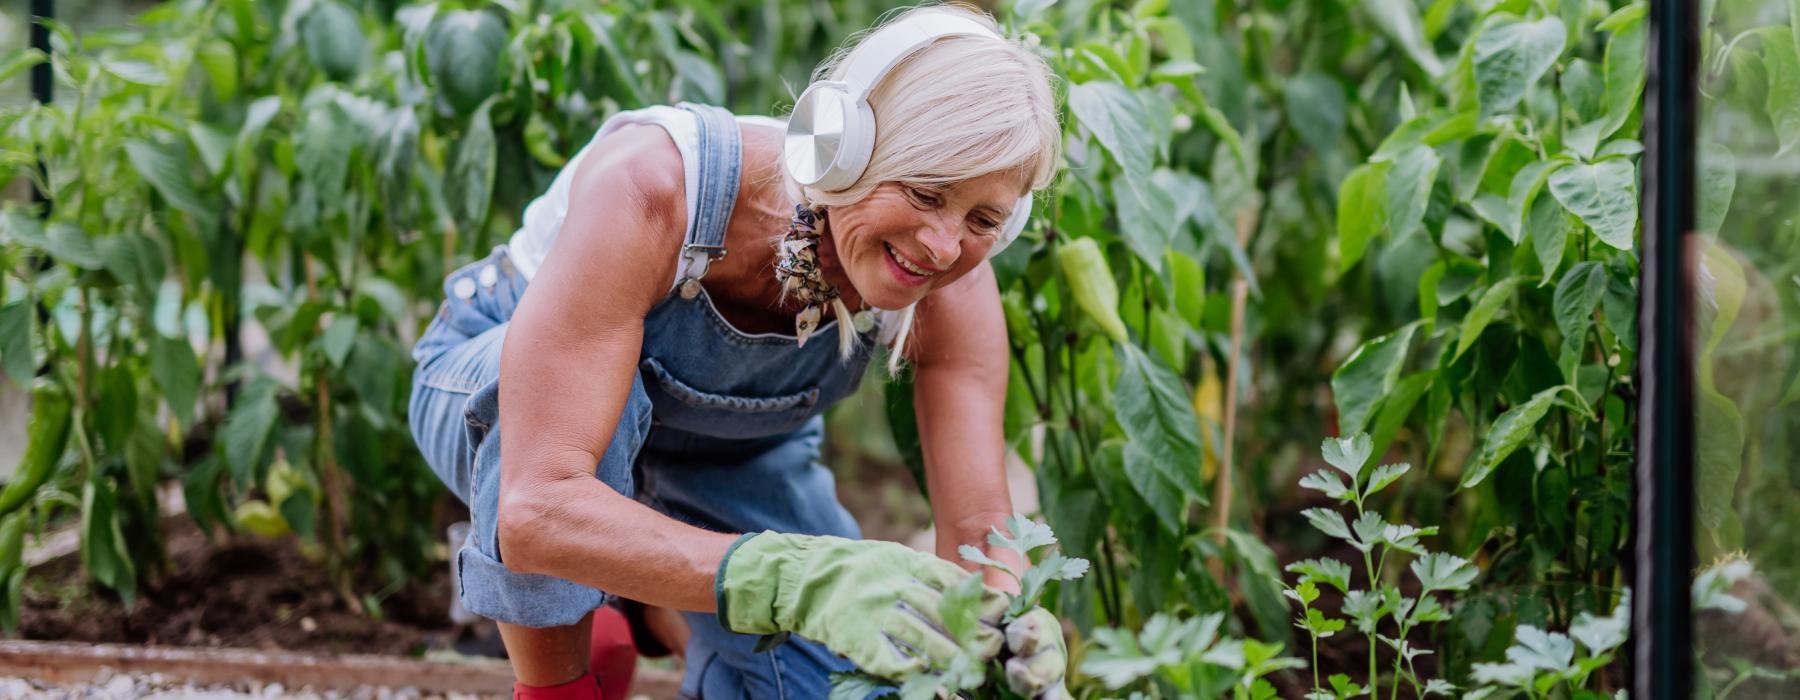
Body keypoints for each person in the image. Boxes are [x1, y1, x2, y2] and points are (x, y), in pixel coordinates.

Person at [407, 4, 1065, 698]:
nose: (943, 244)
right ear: (843, 147)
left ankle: (642, 605)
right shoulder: (659, 188)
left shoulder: (952, 282)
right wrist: (794, 579)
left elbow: (977, 528)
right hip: (520, 418)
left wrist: (1005, 626)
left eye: (984, 219)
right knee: (577, 428)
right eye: (925, 192)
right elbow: (538, 508)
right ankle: (562, 678)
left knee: (854, 682)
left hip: (731, 454)